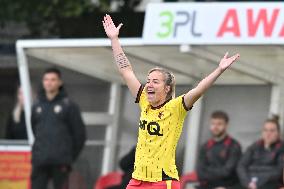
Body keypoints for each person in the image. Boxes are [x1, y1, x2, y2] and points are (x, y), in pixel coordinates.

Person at [102, 14, 240, 189]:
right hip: (137, 180)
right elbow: (126, 71)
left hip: (162, 181)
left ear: (167, 88)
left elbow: (198, 90)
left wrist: (219, 70)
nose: (149, 84)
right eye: (149, 80)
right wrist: (114, 39)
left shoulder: (175, 107)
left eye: (155, 81)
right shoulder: (144, 100)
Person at [31, 68, 86, 189]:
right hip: (40, 159)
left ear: (60, 82)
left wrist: (69, 156)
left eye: (53, 79)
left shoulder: (69, 105)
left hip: (61, 161)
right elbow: (34, 129)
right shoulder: (37, 105)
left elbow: (79, 135)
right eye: (46, 79)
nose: (49, 82)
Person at [196, 111, 242, 189]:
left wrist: (208, 171)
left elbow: (227, 172)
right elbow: (200, 172)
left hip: (227, 186)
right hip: (207, 185)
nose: (215, 127)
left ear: (226, 125)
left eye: (219, 124)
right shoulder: (205, 146)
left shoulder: (234, 146)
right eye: (213, 123)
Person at [237, 116, 284, 189]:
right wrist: (247, 182)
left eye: (272, 131)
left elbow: (278, 171)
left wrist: (257, 182)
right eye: (265, 130)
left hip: (269, 184)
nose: (268, 133)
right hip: (249, 183)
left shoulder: (281, 147)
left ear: (278, 133)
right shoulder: (255, 146)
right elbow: (241, 166)